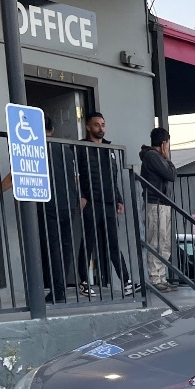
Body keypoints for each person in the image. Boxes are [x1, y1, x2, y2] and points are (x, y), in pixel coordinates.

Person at [0, 116, 79, 303]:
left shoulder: (34, 148)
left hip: (47, 204)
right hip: (68, 204)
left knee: (52, 248)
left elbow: (14, 176)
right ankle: (61, 287)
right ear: (52, 130)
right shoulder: (66, 149)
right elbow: (75, 178)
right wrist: (76, 198)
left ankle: (57, 290)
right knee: (66, 247)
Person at [76, 112, 135, 297]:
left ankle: (126, 282)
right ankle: (84, 282)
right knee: (88, 243)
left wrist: (118, 199)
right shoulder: (80, 147)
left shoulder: (110, 149)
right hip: (91, 203)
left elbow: (113, 177)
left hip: (109, 203)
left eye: (103, 125)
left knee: (113, 244)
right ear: (88, 127)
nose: (101, 128)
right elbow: (74, 174)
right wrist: (80, 195)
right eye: (96, 125)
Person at [139, 127, 179, 291]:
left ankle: (162, 277)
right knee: (155, 241)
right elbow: (171, 175)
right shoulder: (152, 156)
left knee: (164, 243)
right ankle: (155, 279)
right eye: (168, 144)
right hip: (155, 204)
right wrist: (167, 157)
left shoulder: (156, 157)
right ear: (164, 143)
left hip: (163, 203)